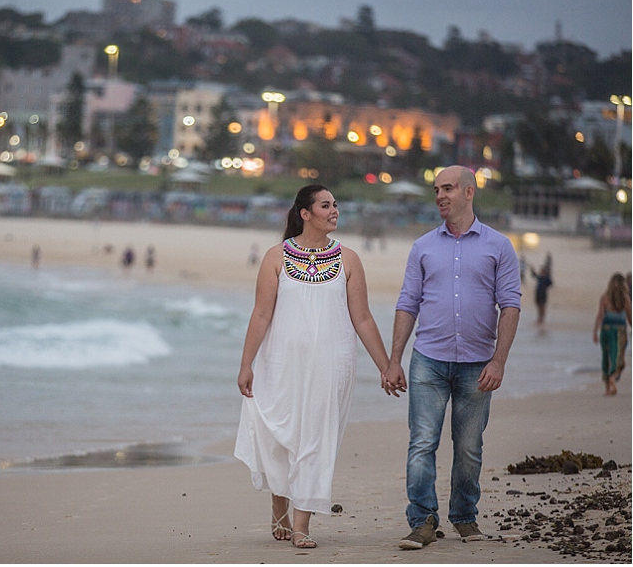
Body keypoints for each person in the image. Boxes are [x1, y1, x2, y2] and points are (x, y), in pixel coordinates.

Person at [235, 184, 398, 550]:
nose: (334, 210)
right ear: (305, 213)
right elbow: (262, 314)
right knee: (278, 436)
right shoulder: (276, 257)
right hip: (280, 364)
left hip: (332, 365)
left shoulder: (349, 260)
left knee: (316, 440)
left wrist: (386, 366)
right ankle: (279, 503)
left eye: (336, 205)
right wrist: (246, 363)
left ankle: (301, 522)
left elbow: (363, 319)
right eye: (326, 205)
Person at [384, 166, 521, 550]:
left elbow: (510, 305)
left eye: (447, 189)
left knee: (468, 446)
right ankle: (422, 521)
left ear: (468, 192)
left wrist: (499, 361)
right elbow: (407, 304)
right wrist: (394, 359)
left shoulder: (499, 246)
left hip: (478, 364)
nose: (440, 195)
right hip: (428, 359)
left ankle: (464, 516)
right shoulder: (423, 246)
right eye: (436, 190)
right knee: (422, 442)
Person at [592, 273, 632, 396]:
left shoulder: (605, 298)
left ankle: (607, 388)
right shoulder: (626, 301)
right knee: (618, 358)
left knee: (606, 357)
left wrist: (595, 331)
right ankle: (613, 378)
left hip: (606, 331)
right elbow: (631, 319)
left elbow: (600, 316)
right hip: (620, 332)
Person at [530, 258, 553, 325]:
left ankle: (542, 319)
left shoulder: (546, 278)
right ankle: (539, 318)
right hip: (538, 294)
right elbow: (534, 275)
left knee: (542, 306)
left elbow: (551, 284)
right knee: (538, 306)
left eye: (543, 271)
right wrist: (532, 269)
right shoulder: (540, 277)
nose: (542, 272)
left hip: (543, 294)